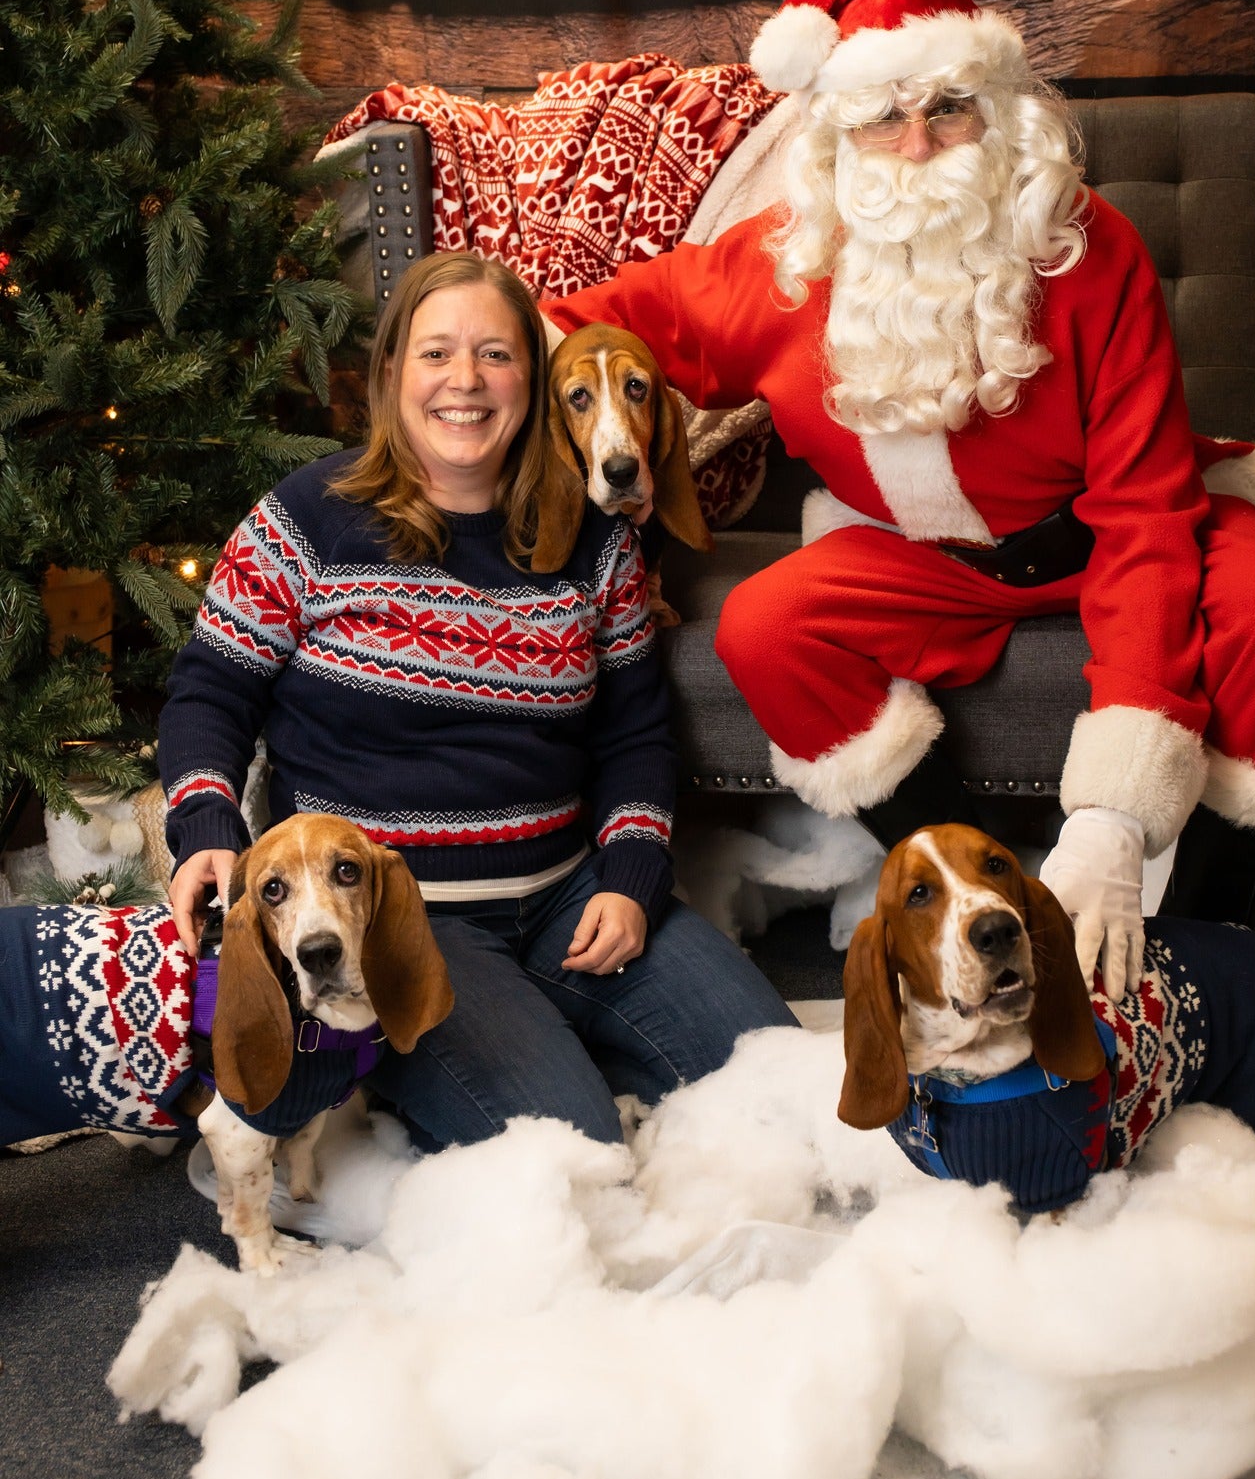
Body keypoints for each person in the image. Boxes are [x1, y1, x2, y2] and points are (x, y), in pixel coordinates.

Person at [542, 0, 1255, 1001]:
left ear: (999, 111)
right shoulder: (779, 262)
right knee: (766, 627)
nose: (918, 145)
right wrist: (475, 388)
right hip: (925, 563)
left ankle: (1208, 952)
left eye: (948, 109)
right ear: (836, 134)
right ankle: (972, 897)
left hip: (1106, 530)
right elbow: (578, 327)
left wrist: (1113, 818)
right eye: (883, 116)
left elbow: (1146, 512)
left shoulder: (1090, 248)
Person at [160, 252, 795, 1150]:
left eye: (495, 355)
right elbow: (212, 687)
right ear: (392, 373)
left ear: (531, 382)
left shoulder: (596, 541)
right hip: (399, 919)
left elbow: (635, 733)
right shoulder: (307, 518)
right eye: (437, 353)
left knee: (786, 1087)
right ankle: (435, 1069)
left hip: (569, 898)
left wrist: (630, 876)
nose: (465, 380)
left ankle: (535, 1040)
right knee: (570, 1156)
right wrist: (205, 824)